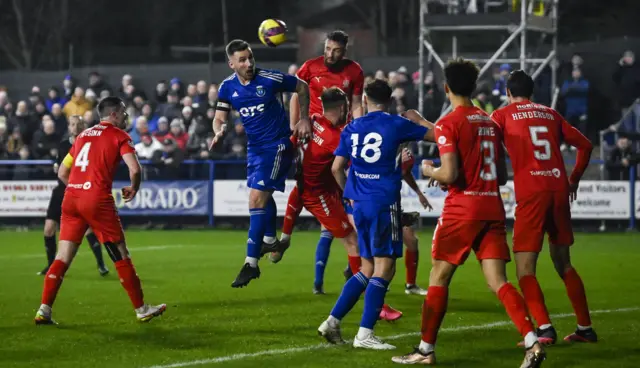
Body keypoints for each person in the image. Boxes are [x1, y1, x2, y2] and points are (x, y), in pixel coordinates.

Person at [391, 59, 545, 367]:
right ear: (473, 88)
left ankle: (425, 350)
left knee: (438, 275)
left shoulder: (450, 122)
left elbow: (449, 173)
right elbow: (501, 176)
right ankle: (532, 341)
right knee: (498, 281)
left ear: (446, 88)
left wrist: (428, 169)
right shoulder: (489, 121)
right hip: (492, 206)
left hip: (464, 209)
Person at [317, 79, 433, 350]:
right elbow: (439, 136)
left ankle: (332, 322)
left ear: (365, 100)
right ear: (390, 100)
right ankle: (365, 334)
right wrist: (420, 120)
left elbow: (336, 168)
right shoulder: (396, 124)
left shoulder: (352, 127)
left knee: (367, 267)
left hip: (360, 204)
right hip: (384, 202)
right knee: (386, 267)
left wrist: (351, 195)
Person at [34, 96, 166, 325]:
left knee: (62, 256)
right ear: (113, 114)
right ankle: (142, 308)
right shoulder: (120, 136)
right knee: (121, 253)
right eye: (124, 112)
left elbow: (63, 173)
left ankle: (44, 309)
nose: (126, 115)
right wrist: (134, 188)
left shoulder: (82, 136)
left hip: (71, 199)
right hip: (96, 199)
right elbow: (135, 169)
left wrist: (78, 188)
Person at [490, 70, 597, 344]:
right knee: (564, 263)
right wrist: (573, 180)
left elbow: (483, 144)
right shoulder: (551, 113)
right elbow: (585, 145)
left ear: (508, 93)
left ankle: (545, 329)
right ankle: (585, 328)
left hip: (532, 192)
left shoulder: (501, 115)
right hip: (558, 189)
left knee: (525, 269)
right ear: (533, 92)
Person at [210, 39, 312, 288]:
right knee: (261, 197)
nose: (248, 63)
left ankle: (251, 264)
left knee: (256, 199)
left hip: (277, 145)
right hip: (254, 149)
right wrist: (219, 130)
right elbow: (219, 117)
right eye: (242, 60)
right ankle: (268, 238)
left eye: (250, 57)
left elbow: (302, 87)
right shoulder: (227, 87)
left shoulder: (270, 79)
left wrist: (304, 119)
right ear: (231, 63)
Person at [274, 30, 364, 265]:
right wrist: (296, 124)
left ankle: (284, 239)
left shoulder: (354, 71)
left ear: (345, 50)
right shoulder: (310, 67)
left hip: (335, 133)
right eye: (327, 49)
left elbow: (356, 104)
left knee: (309, 186)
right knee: (314, 185)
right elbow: (296, 95)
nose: (330, 54)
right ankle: (357, 268)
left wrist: (358, 130)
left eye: (335, 50)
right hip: (312, 131)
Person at [290, 87, 360, 295]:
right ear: (342, 106)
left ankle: (324, 280)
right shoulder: (338, 135)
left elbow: (292, 141)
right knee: (352, 240)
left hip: (323, 187)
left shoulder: (312, 120)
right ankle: (362, 289)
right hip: (324, 191)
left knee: (333, 233)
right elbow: (339, 167)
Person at [39, 115, 109, 277]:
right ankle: (51, 266)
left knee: (87, 230)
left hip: (81, 191)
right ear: (69, 127)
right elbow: (59, 168)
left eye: (78, 124)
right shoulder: (63, 145)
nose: (75, 127)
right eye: (72, 124)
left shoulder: (91, 144)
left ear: (84, 125)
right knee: (49, 229)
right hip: (63, 189)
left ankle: (101, 264)